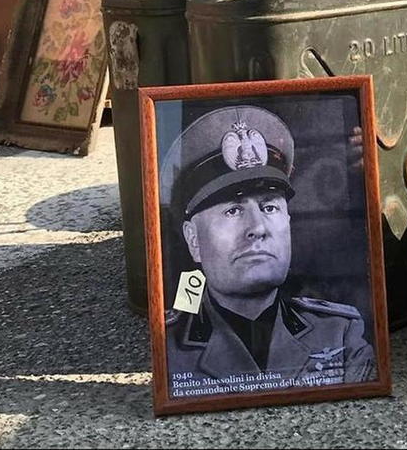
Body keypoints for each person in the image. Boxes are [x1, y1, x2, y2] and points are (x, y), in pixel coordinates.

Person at [159, 104, 376, 397]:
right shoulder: (169, 346)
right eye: (234, 210)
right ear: (193, 239)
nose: (258, 228)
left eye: (269, 206)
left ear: (288, 221)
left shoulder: (340, 330)